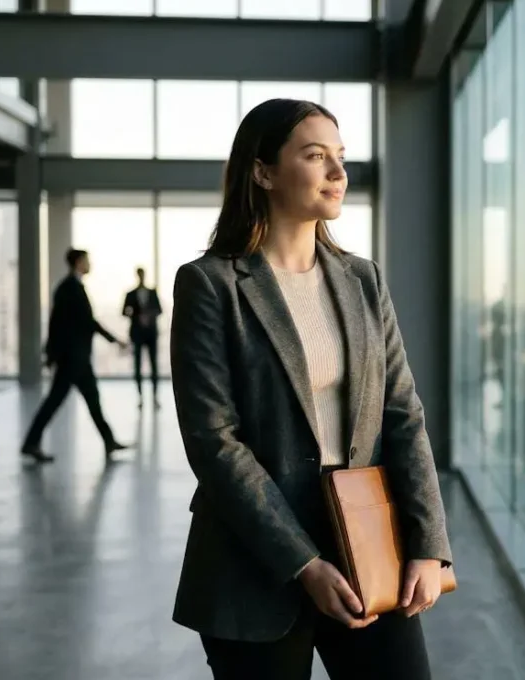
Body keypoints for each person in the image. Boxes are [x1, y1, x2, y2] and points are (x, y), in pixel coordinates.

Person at [169, 98, 452, 680]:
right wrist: (302, 562)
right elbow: (213, 441)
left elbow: (403, 414)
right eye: (315, 156)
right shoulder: (210, 285)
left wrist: (427, 542)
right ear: (264, 171)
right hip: (252, 558)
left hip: (368, 544)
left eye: (341, 157)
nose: (338, 173)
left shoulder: (362, 280)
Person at [20, 249, 130, 462]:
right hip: (72, 358)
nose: (90, 264)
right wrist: (115, 340)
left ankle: (108, 441)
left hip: (76, 358)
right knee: (55, 402)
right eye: (87, 261)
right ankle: (31, 443)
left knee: (91, 400)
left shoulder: (71, 287)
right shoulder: (70, 288)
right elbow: (79, 322)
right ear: (79, 262)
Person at [122, 267, 163, 407]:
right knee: (137, 365)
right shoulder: (130, 294)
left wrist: (149, 316)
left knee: (154, 366)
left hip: (151, 333)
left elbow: (159, 310)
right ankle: (140, 397)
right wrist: (136, 316)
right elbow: (123, 311)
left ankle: (155, 397)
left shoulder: (152, 292)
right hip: (137, 333)